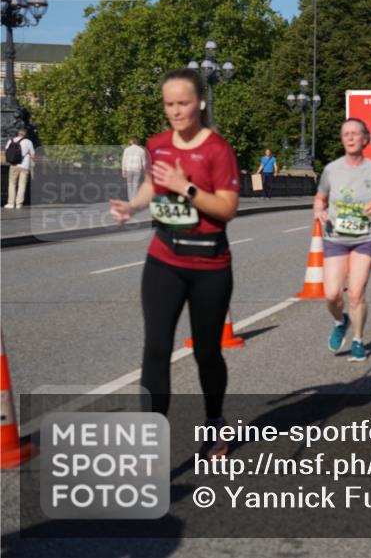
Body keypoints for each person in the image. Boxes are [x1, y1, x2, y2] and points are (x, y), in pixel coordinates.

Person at [108, 68, 240, 458]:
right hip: (164, 260)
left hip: (210, 266)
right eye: (169, 104)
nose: (176, 111)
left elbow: (227, 209)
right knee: (156, 347)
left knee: (206, 352)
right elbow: (154, 183)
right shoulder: (158, 144)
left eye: (183, 103)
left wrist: (187, 187)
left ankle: (214, 423)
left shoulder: (218, 150)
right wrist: (132, 205)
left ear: (200, 102)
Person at [315, 119, 371, 363]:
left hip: (365, 238)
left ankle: (359, 340)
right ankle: (341, 321)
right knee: (331, 295)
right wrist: (319, 212)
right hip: (336, 237)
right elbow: (320, 199)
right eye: (345, 134)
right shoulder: (331, 169)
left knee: (356, 294)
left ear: (365, 139)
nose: (350, 138)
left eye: (355, 134)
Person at [4, 128, 35, 209]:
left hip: (14, 165)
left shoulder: (11, 140)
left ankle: (10, 203)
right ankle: (19, 204)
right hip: (25, 166)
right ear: (25, 134)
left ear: (18, 134)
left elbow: (7, 152)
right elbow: (33, 155)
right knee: (22, 185)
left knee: (12, 184)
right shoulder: (28, 142)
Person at [121, 136, 148, 202]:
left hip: (129, 169)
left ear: (132, 141)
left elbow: (124, 161)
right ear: (137, 142)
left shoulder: (127, 150)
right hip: (137, 170)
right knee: (136, 185)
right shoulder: (141, 150)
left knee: (129, 185)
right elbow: (144, 162)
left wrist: (123, 170)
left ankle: (131, 200)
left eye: (130, 140)